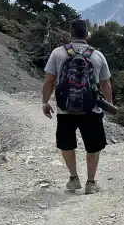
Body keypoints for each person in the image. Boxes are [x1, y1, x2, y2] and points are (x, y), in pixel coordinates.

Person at [41, 19, 113, 194]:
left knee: (66, 144)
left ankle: (73, 179)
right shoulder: (97, 55)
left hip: (65, 108)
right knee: (93, 147)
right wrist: (109, 105)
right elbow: (105, 83)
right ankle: (91, 182)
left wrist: (45, 102)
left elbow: (49, 80)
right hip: (91, 108)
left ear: (70, 34)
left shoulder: (58, 53)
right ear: (87, 34)